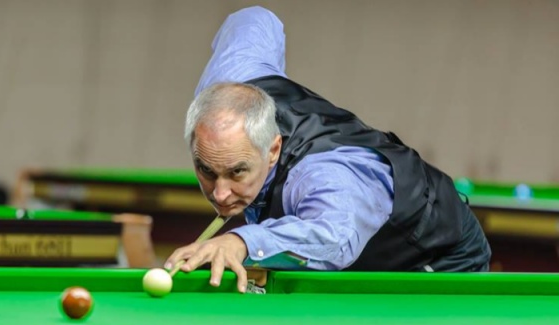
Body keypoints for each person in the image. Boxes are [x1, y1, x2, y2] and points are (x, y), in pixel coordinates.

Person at [165, 6, 491, 293]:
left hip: (433, 255)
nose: (220, 194)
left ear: (273, 149)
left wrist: (241, 240)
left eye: (237, 171)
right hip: (352, 234)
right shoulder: (226, 86)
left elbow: (332, 237)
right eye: (206, 170)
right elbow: (255, 20)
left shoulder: (323, 175)